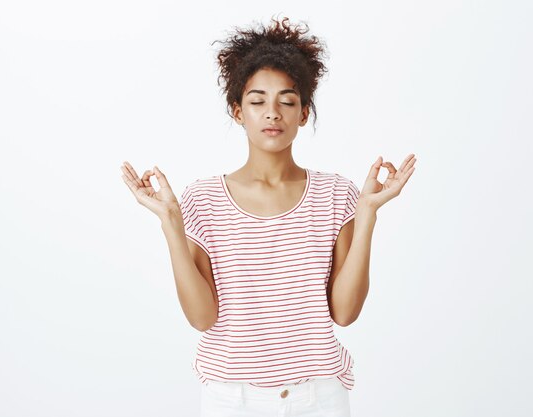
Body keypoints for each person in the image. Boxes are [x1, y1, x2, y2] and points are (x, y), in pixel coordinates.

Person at [121, 15, 416, 417]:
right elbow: (202, 317)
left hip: (320, 398)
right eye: (257, 101)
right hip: (231, 399)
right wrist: (171, 224)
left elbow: (344, 313)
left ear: (304, 112)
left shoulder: (336, 194)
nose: (272, 113)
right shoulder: (202, 199)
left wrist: (366, 214)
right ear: (238, 111)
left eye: (287, 101)